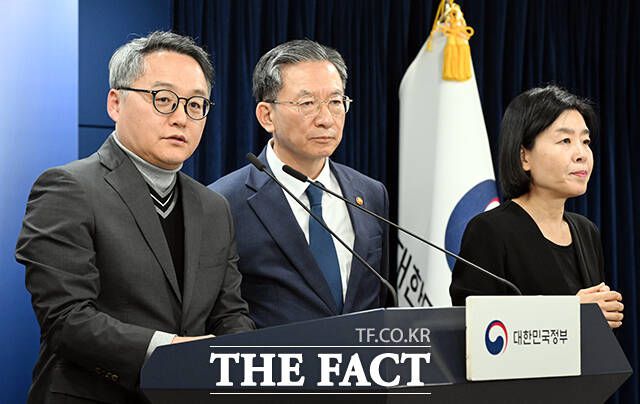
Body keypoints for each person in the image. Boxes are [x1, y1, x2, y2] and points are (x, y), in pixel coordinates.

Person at [15, 31, 254, 403]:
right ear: (115, 103)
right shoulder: (67, 188)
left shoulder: (213, 206)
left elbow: (230, 313)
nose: (181, 118)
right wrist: (169, 350)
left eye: (196, 104)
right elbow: (67, 319)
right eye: (164, 99)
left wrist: (240, 360)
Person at [210, 39, 389, 328]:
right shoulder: (223, 202)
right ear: (266, 116)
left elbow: (379, 298)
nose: (326, 119)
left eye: (335, 102)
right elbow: (220, 314)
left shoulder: (370, 193)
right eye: (307, 104)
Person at [450, 85, 624, 329]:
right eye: (565, 140)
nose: (582, 154)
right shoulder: (490, 230)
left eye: (585, 141)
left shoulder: (586, 231)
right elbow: (474, 326)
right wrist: (570, 313)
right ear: (524, 157)